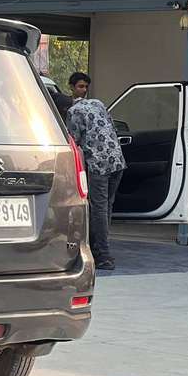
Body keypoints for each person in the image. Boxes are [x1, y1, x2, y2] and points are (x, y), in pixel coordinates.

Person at [66, 82, 126, 271]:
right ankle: (100, 247)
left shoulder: (73, 112)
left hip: (98, 164)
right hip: (117, 161)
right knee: (106, 206)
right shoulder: (98, 104)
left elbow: (72, 141)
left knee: (98, 208)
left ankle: (103, 255)